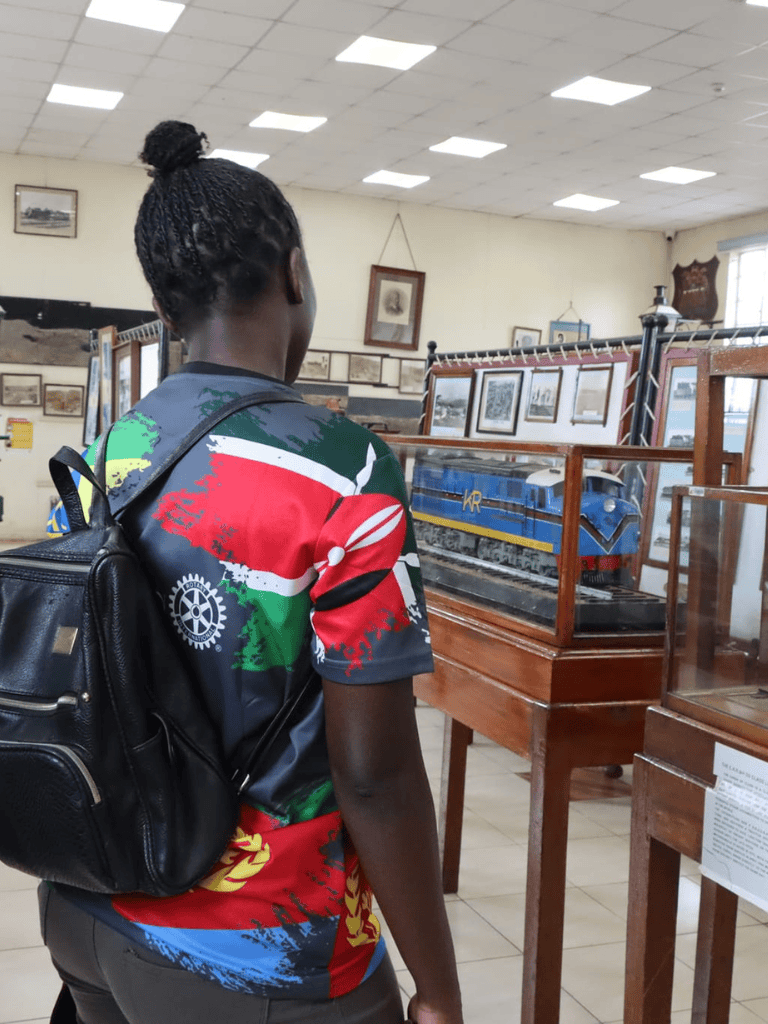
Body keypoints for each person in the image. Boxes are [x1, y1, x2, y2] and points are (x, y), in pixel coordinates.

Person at [41, 121, 463, 1024]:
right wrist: (438, 986)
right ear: (296, 275)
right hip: (256, 947)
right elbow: (375, 772)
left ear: (165, 308)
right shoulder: (344, 469)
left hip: (87, 905)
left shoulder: (104, 458)